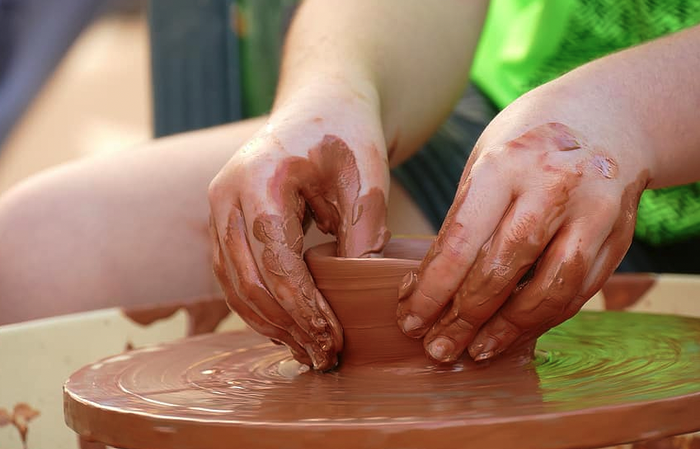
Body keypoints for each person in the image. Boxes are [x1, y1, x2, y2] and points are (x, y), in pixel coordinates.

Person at [1, 0, 699, 371]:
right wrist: (334, 90)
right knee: (41, 256)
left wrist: (631, 113)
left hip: (621, 116)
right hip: (533, 128)